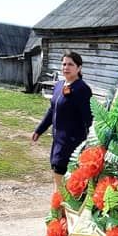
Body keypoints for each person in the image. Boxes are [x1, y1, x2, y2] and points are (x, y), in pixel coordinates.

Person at [32, 51, 93, 190]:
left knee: (62, 178)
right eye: (64, 64)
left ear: (79, 68)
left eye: (70, 64)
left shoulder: (82, 89)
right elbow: (52, 110)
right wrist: (39, 130)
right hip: (57, 140)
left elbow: (89, 118)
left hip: (72, 142)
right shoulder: (59, 85)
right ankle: (60, 207)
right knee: (57, 174)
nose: (66, 67)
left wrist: (91, 143)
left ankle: (59, 207)